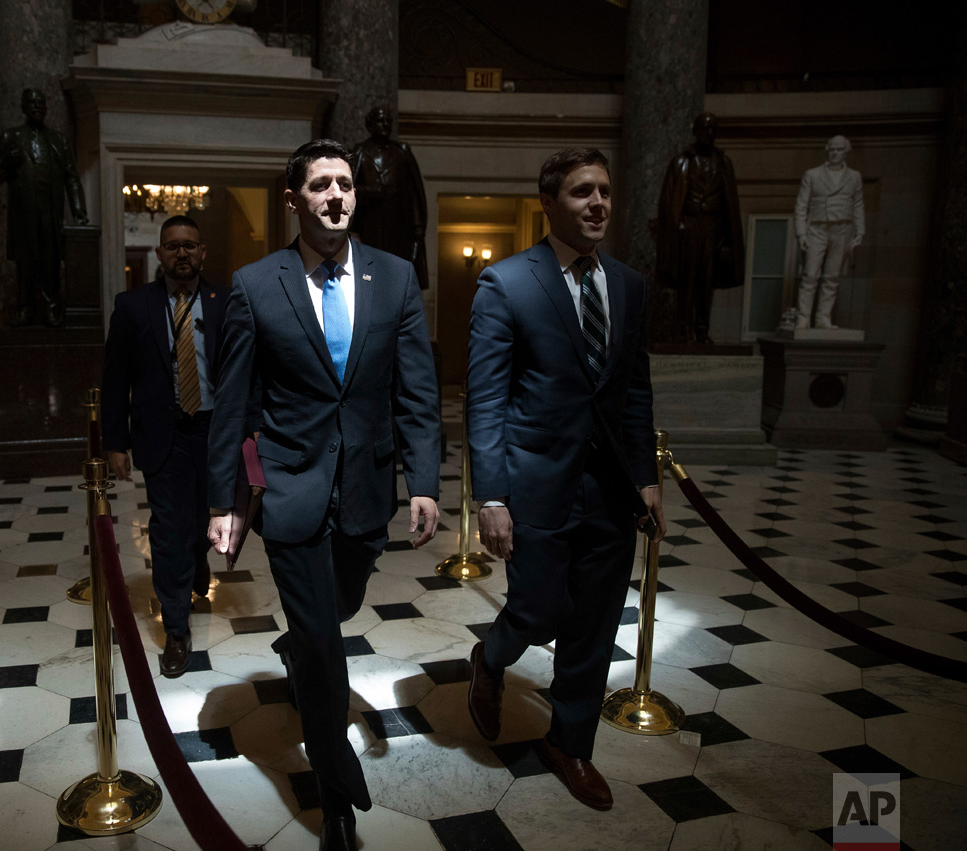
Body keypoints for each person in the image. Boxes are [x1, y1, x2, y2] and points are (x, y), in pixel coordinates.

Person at [206, 139, 441, 851]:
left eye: (345, 184)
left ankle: (301, 645)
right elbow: (232, 405)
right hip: (291, 486)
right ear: (294, 200)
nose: (337, 195)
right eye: (320, 185)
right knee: (321, 643)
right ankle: (336, 795)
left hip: (368, 488)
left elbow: (417, 390)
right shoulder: (254, 285)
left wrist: (424, 481)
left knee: (337, 607)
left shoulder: (394, 278)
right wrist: (224, 500)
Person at [465, 148, 666, 811]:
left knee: (595, 621)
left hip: (610, 489)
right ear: (550, 201)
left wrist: (645, 477)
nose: (597, 203)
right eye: (582, 192)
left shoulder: (629, 286)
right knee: (541, 606)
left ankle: (569, 742)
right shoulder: (506, 283)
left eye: (605, 191)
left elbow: (633, 389)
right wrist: (489, 496)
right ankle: (490, 658)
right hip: (535, 483)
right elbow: (486, 399)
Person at [101, 215, 224, 677]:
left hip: (213, 433)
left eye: (190, 245)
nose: (182, 253)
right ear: (160, 253)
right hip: (162, 434)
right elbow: (114, 380)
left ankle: (196, 559)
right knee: (169, 529)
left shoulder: (225, 302)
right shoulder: (133, 306)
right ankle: (176, 630)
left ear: (202, 251)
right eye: (172, 246)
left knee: (200, 521)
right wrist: (116, 442)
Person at [0, 88, 88, 327]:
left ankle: (52, 306)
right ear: (23, 107)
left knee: (50, 261)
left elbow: (72, 178)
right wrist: (5, 163)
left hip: (50, 212)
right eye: (31, 103)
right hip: (23, 214)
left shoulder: (58, 141)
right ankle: (25, 307)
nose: (36, 107)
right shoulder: (10, 137)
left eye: (40, 103)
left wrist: (79, 212)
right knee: (25, 262)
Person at [655, 112, 744, 344]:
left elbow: (729, 205)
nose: (709, 133)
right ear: (695, 131)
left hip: (712, 229)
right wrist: (679, 226)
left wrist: (726, 238)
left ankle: (702, 329)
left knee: (706, 282)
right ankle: (684, 328)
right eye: (704, 129)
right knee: (687, 281)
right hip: (688, 228)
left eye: (713, 129)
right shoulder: (681, 162)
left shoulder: (724, 163)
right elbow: (668, 202)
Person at [350, 106, 430, 289]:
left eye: (388, 121)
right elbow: (349, 191)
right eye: (380, 120)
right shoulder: (360, 152)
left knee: (397, 274)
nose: (385, 125)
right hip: (370, 225)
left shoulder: (402, 152)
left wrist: (418, 228)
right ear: (370, 125)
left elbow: (415, 193)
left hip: (399, 226)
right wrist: (369, 191)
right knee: (371, 273)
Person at [794, 135, 865, 330]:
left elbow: (858, 204)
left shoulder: (854, 176)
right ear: (827, 150)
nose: (835, 153)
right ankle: (803, 318)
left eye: (839, 149)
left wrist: (860, 231)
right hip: (817, 228)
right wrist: (801, 234)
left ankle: (823, 318)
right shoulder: (813, 174)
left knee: (832, 277)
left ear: (846, 151)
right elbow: (801, 205)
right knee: (810, 275)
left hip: (842, 228)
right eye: (832, 149)